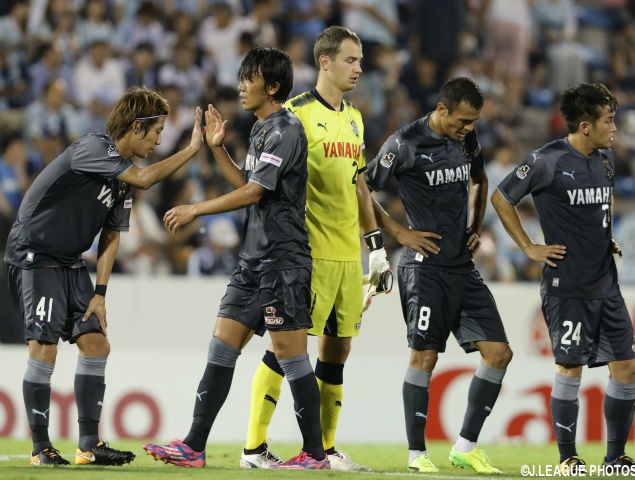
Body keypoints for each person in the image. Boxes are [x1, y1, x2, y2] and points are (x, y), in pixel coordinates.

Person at [142, 47, 329, 470]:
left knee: (291, 356)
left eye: (250, 77)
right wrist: (217, 149)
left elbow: (254, 193)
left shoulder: (286, 129)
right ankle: (193, 446)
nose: (241, 84)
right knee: (222, 345)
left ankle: (315, 455)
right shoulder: (263, 130)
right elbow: (250, 182)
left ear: (273, 86)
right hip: (253, 262)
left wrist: (195, 208)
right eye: (242, 76)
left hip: (283, 261)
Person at [4, 86, 204, 466]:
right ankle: (40, 448)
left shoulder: (123, 180)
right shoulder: (94, 147)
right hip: (35, 256)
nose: (160, 139)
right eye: (157, 131)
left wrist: (100, 293)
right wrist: (192, 149)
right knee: (43, 346)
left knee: (96, 344)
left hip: (69, 262)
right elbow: (146, 179)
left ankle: (89, 445)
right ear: (137, 125)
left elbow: (111, 236)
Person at [239, 26, 389, 472]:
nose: (359, 68)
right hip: (307, 252)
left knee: (337, 352)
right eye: (350, 59)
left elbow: (359, 184)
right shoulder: (294, 114)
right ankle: (254, 447)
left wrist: (376, 248)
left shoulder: (355, 118)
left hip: (349, 256)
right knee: (287, 348)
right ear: (324, 62)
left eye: (360, 60)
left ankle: (322, 449)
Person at [365, 77, 512, 474]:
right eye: (463, 120)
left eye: (474, 121)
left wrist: (475, 225)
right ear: (442, 109)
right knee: (424, 356)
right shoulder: (404, 142)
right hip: (423, 267)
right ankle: (417, 455)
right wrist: (399, 233)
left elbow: (480, 179)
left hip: (460, 266)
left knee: (499, 354)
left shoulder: (466, 139)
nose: (468, 128)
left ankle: (465, 446)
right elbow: (362, 188)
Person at [491, 82, 635, 472]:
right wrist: (528, 247)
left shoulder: (604, 160)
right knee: (569, 368)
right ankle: (567, 458)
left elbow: (595, 205)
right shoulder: (547, 160)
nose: (614, 128)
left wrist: (604, 236)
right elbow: (501, 197)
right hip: (567, 286)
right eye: (609, 120)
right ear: (586, 126)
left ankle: (614, 457)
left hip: (606, 284)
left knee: (626, 366)